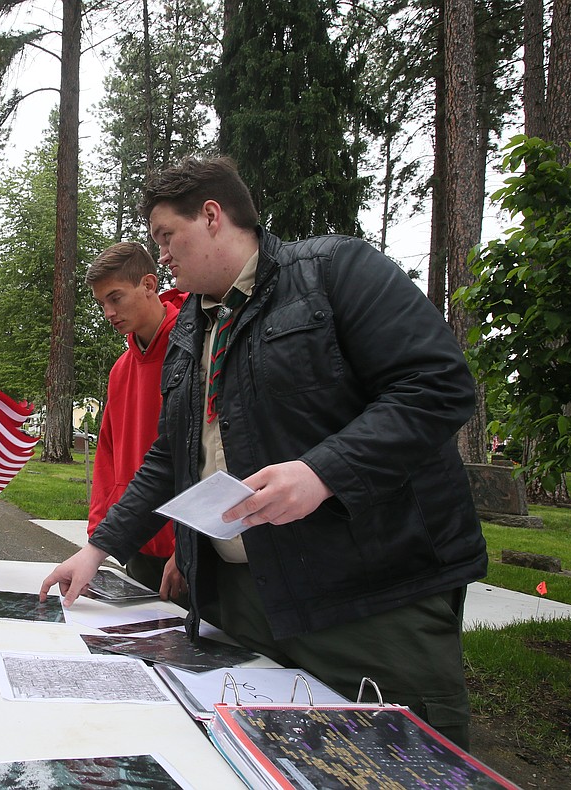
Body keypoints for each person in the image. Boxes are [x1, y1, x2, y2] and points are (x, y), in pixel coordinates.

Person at [41, 156, 487, 748]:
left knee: (390, 763)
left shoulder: (336, 271)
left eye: (165, 237)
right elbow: (170, 459)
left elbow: (438, 385)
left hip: (365, 602)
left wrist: (322, 472)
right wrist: (97, 550)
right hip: (240, 604)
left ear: (212, 215)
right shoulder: (191, 332)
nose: (163, 256)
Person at [85, 242, 187, 600]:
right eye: (101, 304)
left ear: (148, 284)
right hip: (136, 543)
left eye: (116, 298)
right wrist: (99, 539)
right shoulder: (120, 370)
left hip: (187, 550)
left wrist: (191, 545)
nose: (108, 312)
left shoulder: (196, 348)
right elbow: (107, 456)